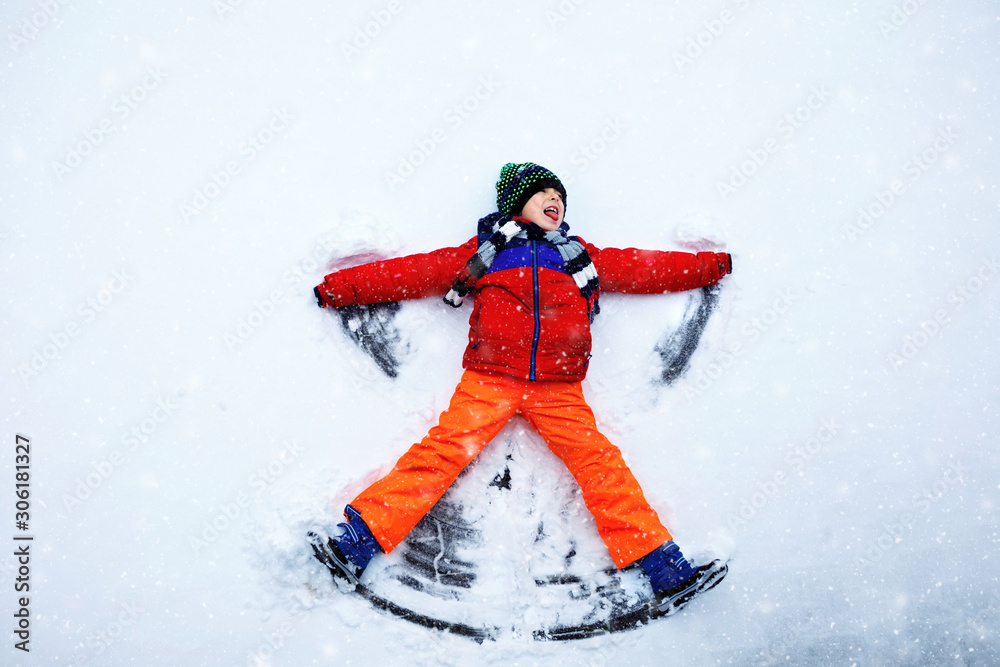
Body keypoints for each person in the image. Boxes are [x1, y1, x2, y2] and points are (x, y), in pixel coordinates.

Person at [310, 162, 731, 615]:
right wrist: (340, 288)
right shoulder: (486, 252)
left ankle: (666, 570)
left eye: (560, 195)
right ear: (517, 201)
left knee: (600, 466)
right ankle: (354, 545)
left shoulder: (576, 255)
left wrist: (710, 267)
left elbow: (642, 268)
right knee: (441, 454)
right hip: (490, 380)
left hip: (558, 388)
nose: (556, 200)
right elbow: (413, 272)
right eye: (544, 192)